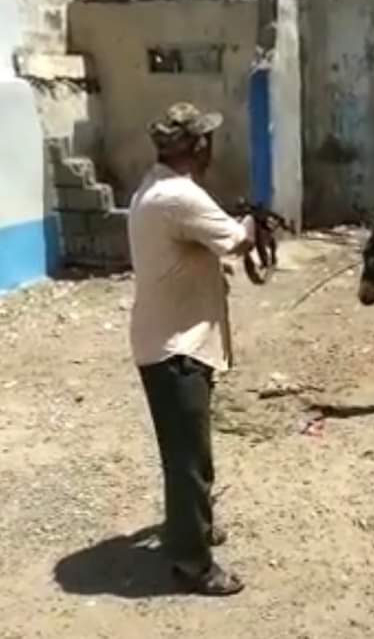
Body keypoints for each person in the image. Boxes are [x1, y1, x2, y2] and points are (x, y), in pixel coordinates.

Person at [128, 102, 256, 596]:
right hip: (176, 349)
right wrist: (252, 225)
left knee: (185, 453)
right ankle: (192, 563)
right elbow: (237, 242)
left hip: (167, 341)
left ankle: (191, 529)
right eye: (208, 139)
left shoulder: (154, 187)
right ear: (199, 145)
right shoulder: (181, 196)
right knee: (188, 460)